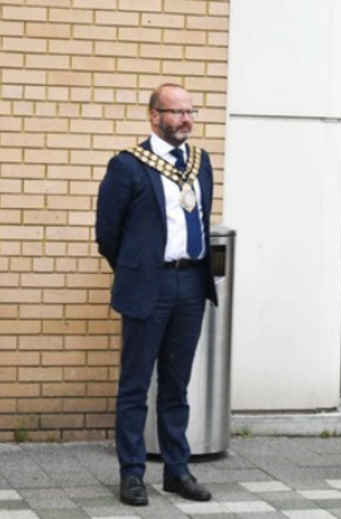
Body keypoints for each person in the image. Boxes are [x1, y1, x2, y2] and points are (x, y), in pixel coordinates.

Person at [96, 83, 217, 506]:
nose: (186, 119)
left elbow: (201, 215)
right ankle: (131, 473)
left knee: (176, 384)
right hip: (149, 285)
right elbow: (108, 234)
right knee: (134, 384)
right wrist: (137, 270)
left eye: (191, 111)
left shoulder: (201, 164)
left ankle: (176, 470)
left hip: (191, 283)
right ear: (154, 117)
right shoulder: (127, 166)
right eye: (177, 112)